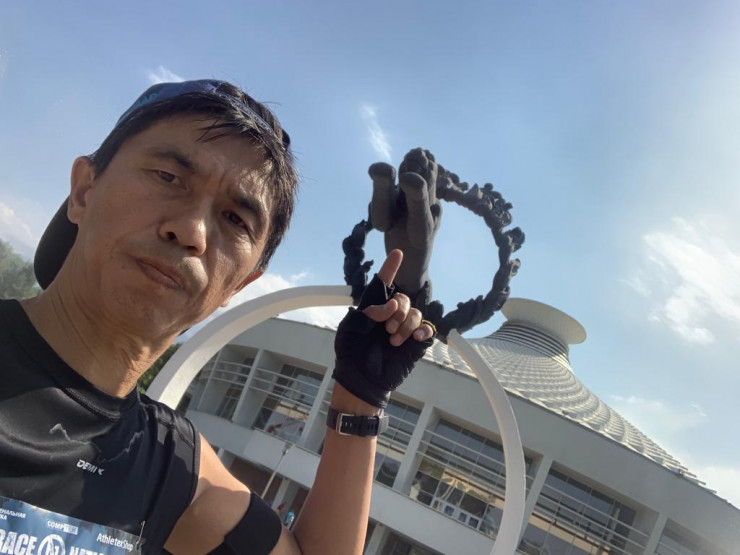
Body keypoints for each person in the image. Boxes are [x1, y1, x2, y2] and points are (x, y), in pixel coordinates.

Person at [0, 80, 434, 555]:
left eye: (235, 220)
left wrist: (360, 397)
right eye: (168, 177)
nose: (192, 231)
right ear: (84, 190)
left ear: (239, 286)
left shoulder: (168, 466)